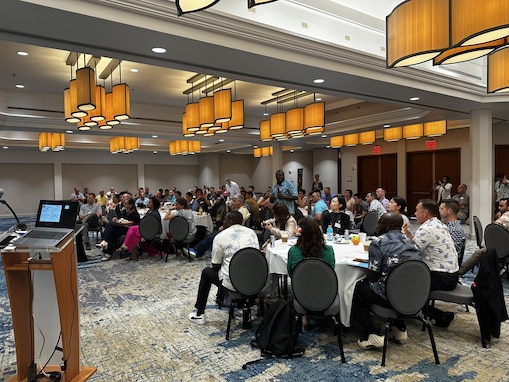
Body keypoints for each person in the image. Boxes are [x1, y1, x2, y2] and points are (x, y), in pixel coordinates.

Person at [353, 213, 422, 350]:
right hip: (414, 296)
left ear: (389, 226)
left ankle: (372, 332)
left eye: (381, 223)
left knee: (356, 289)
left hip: (389, 295)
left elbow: (373, 276)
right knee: (398, 283)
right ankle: (398, 327)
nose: (377, 226)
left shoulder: (378, 243)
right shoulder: (412, 242)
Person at [188, 211, 259, 324]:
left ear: (230, 222)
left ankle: (199, 313)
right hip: (255, 283)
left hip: (233, 284)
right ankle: (245, 306)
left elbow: (215, 265)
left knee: (207, 272)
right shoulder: (252, 233)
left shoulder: (220, 236)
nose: (223, 222)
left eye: (225, 220)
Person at [402, 199, 458, 327]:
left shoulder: (427, 229)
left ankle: (439, 316)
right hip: (450, 274)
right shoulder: (436, 224)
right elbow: (418, 244)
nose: (415, 213)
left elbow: (411, 252)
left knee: (401, 284)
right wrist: (409, 234)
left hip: (442, 277)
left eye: (417, 210)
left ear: (425, 213)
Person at [287, 217, 335, 330]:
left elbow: (291, 274)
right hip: (325, 293)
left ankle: (303, 315)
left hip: (301, 292)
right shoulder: (329, 250)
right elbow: (331, 272)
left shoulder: (293, 251)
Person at [459, 198, 509, 275]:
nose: (499, 208)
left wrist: (500, 218)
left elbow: (495, 228)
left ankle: (459, 272)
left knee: (478, 253)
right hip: (502, 246)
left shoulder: (506, 216)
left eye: (501, 206)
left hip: (503, 249)